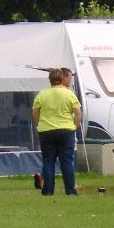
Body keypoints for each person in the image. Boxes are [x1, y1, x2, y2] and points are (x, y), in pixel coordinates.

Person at [33, 67, 82, 196]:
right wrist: (75, 125)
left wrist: (40, 124)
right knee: (67, 161)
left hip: (46, 131)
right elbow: (77, 112)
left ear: (49, 80)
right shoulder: (69, 94)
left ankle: (48, 190)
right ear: (62, 79)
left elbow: (35, 112)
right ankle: (70, 190)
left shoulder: (42, 94)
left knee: (48, 161)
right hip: (66, 130)